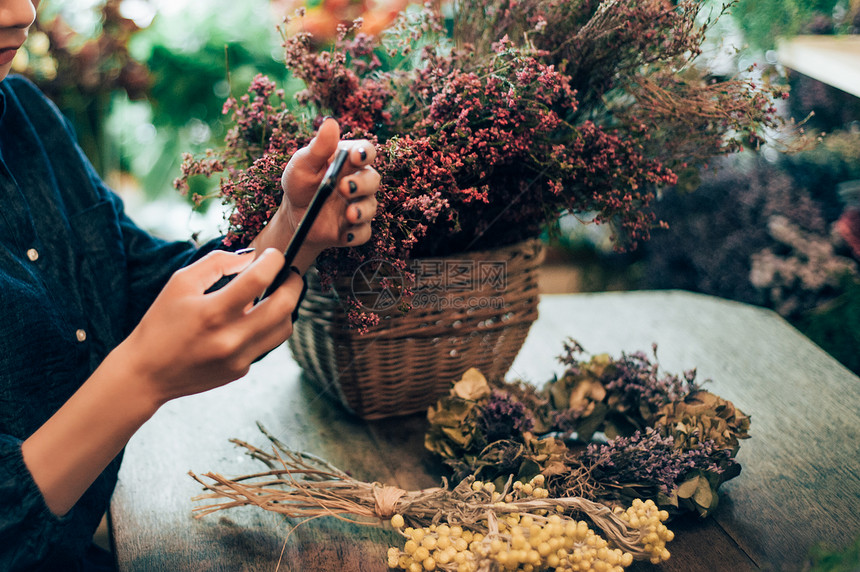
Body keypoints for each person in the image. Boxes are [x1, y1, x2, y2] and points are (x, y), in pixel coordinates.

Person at [0, 0, 380, 569]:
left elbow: (132, 276)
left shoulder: (26, 114)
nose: (21, 12)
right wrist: (142, 376)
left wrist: (291, 230)